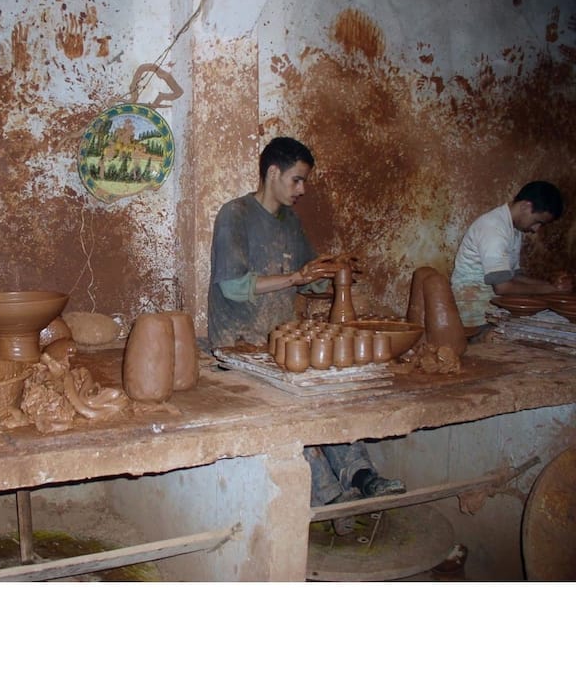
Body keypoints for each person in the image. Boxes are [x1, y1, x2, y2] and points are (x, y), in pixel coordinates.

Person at [207, 136, 406, 533]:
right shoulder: (236, 215)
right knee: (296, 408)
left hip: (283, 340)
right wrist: (298, 276)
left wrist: (330, 272)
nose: (302, 190)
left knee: (327, 396)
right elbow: (232, 285)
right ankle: (330, 495)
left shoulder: (290, 222)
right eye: (297, 180)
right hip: (239, 345)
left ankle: (363, 476)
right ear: (273, 172)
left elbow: (306, 281)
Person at [450, 180, 572, 331]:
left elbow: (513, 276)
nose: (536, 229)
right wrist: (550, 290)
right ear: (525, 206)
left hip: (491, 306)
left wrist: (552, 286)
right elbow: (503, 287)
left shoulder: (514, 229)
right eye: (537, 222)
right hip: (473, 311)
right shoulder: (493, 228)